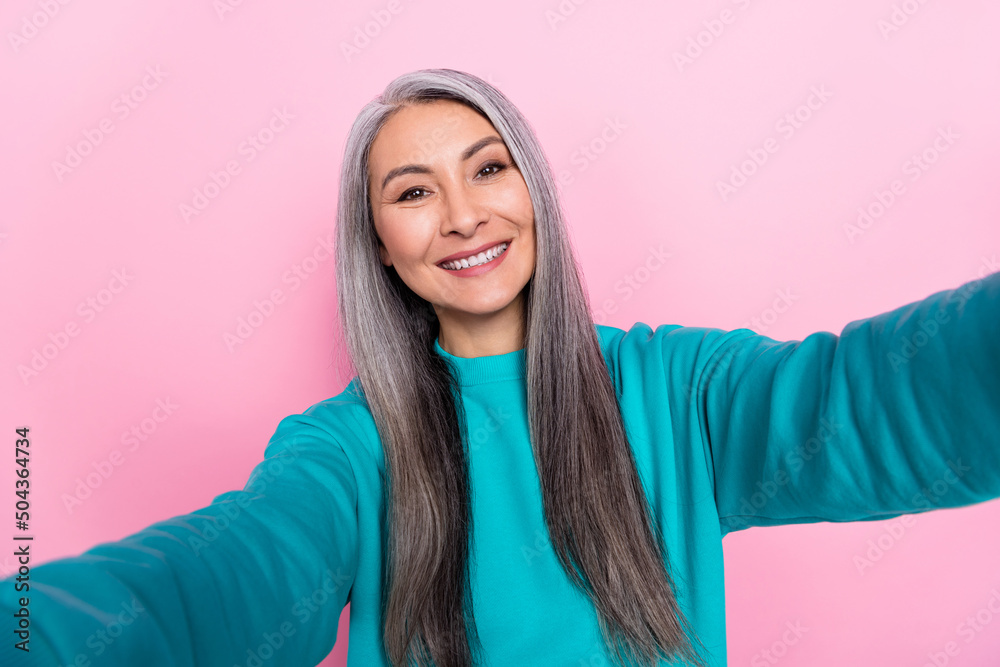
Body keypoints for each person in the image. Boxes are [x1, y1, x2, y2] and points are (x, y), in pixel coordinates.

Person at [3, 68, 999, 667]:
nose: (464, 213)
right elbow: (213, 580)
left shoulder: (677, 390)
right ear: (380, 248)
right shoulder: (345, 453)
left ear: (534, 191)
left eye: (487, 167)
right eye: (412, 191)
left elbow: (883, 399)